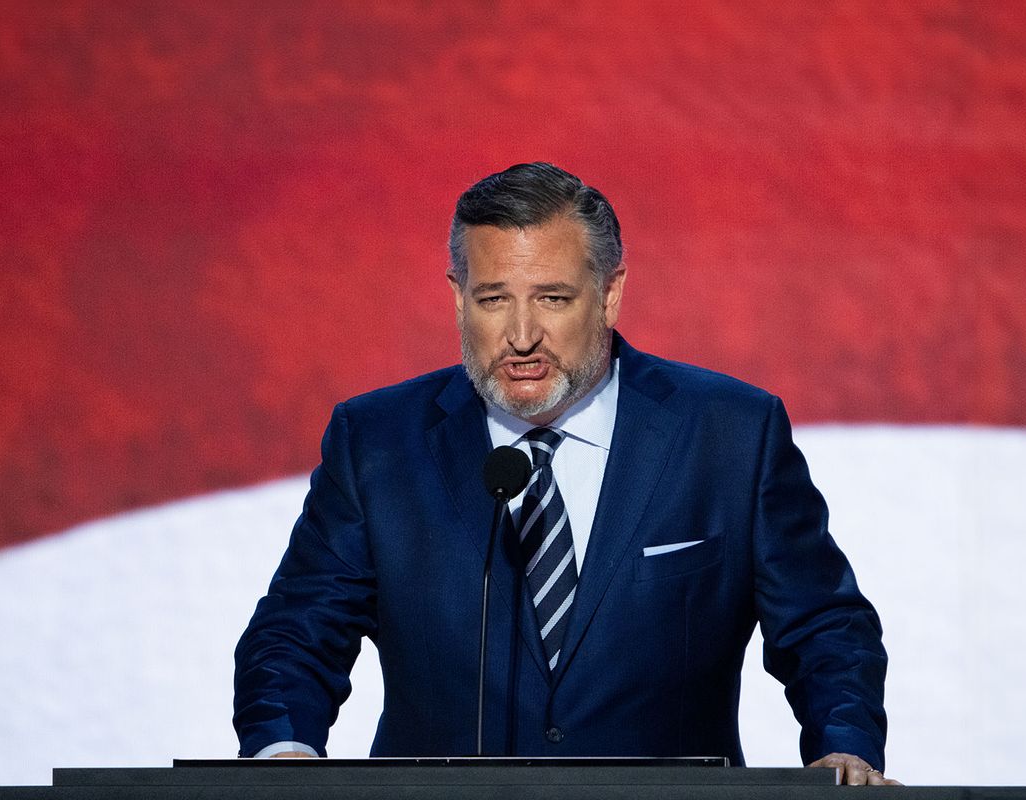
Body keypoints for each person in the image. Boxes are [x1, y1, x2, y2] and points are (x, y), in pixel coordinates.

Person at [233, 162, 898, 785]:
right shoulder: (379, 443)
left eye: (552, 298)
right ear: (458, 298)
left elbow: (822, 627)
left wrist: (843, 749)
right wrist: (285, 757)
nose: (522, 335)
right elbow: (297, 633)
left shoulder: (727, 434)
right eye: (494, 299)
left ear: (608, 296)